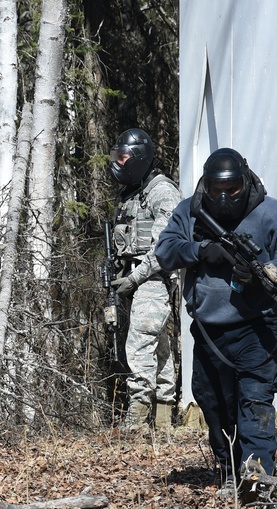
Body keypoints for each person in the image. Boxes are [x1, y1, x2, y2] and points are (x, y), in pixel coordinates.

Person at [155, 148, 277, 494]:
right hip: (209, 331)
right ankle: (229, 472)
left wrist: (267, 271)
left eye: (233, 189)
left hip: (257, 326)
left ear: (246, 182)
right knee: (214, 404)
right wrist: (201, 251)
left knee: (254, 402)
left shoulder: (272, 214)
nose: (224, 197)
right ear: (206, 187)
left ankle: (255, 478)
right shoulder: (190, 213)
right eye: (216, 189)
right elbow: (165, 250)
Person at [107, 128, 181, 433]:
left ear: (138, 158)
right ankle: (164, 423)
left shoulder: (162, 192)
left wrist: (134, 278)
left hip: (155, 279)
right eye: (117, 157)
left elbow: (164, 248)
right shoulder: (136, 191)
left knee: (139, 344)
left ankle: (136, 423)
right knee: (159, 348)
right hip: (141, 278)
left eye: (123, 158)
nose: (118, 163)